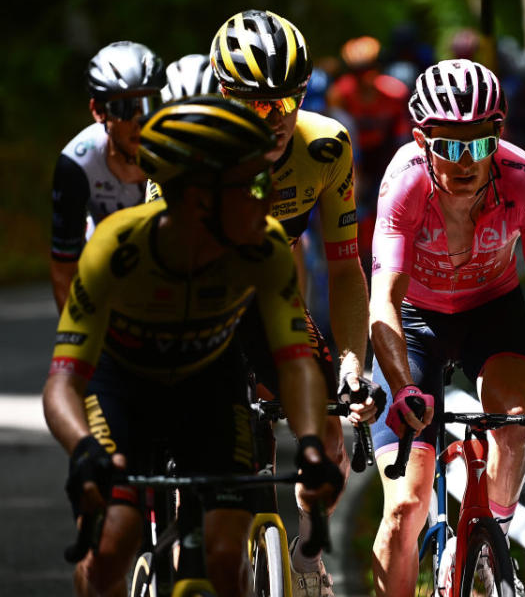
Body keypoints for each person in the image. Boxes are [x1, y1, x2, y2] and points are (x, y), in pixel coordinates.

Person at [42, 96, 342, 597]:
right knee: (111, 546)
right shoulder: (116, 249)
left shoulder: (264, 247)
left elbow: (295, 366)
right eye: (255, 184)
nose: (270, 200)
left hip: (208, 385)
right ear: (199, 197)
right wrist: (83, 448)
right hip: (121, 390)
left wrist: (311, 443)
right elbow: (63, 383)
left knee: (228, 556)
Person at [369, 59, 525, 596]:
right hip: (414, 319)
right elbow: (382, 299)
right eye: (447, 147)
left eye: (477, 145)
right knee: (406, 508)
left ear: (497, 137)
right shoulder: (404, 182)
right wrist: (403, 385)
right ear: (421, 140)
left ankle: (491, 541)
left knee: (516, 422)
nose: (464, 162)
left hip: (489, 311)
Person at [210, 8, 375, 597]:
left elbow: (344, 267)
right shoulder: (188, 151)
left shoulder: (326, 147)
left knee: (328, 421)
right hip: (196, 303)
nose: (275, 119)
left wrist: (353, 363)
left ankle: (307, 558)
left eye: (286, 101)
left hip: (272, 298)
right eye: (256, 105)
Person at [50, 41, 164, 313]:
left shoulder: (178, 148)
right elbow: (64, 272)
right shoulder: (76, 165)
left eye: (148, 104)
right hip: (106, 274)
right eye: (125, 108)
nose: (139, 120)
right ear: (98, 111)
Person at [327, 35, 411, 272]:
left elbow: (403, 135)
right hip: (354, 157)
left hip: (386, 157)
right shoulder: (340, 94)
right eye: (357, 71)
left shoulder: (395, 92)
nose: (365, 76)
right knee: (357, 211)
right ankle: (362, 261)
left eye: (369, 69)